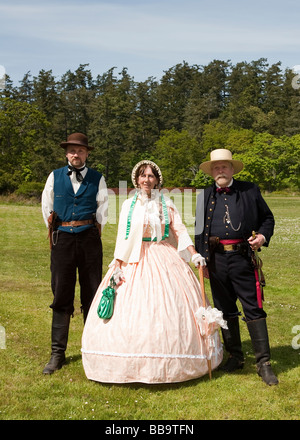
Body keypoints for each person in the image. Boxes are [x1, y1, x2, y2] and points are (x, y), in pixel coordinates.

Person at [81, 160, 224, 384]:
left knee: (169, 307)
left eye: (151, 176)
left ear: (157, 180)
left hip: (163, 255)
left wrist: (193, 253)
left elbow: (179, 229)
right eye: (143, 176)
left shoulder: (166, 203)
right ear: (136, 180)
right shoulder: (129, 205)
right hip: (135, 258)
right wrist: (118, 263)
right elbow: (123, 236)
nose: (147, 180)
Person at [195, 148, 278, 386]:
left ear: (232, 169)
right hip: (217, 261)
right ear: (212, 172)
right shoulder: (205, 194)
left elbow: (267, 219)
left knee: (253, 308)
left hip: (243, 259)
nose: (220, 171)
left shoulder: (249, 189)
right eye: (216, 168)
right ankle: (235, 356)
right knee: (224, 309)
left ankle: (264, 363)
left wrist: (262, 236)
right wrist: (203, 259)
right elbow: (199, 231)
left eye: (224, 167)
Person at [41, 132, 108, 375]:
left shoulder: (98, 179)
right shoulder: (54, 177)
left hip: (89, 238)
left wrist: (90, 231)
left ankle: (93, 349)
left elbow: (103, 212)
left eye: (80, 151)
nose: (75, 154)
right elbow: (46, 208)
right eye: (71, 150)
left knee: (92, 290)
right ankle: (57, 354)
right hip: (62, 239)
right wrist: (59, 231)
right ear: (66, 153)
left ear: (87, 153)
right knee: (61, 292)